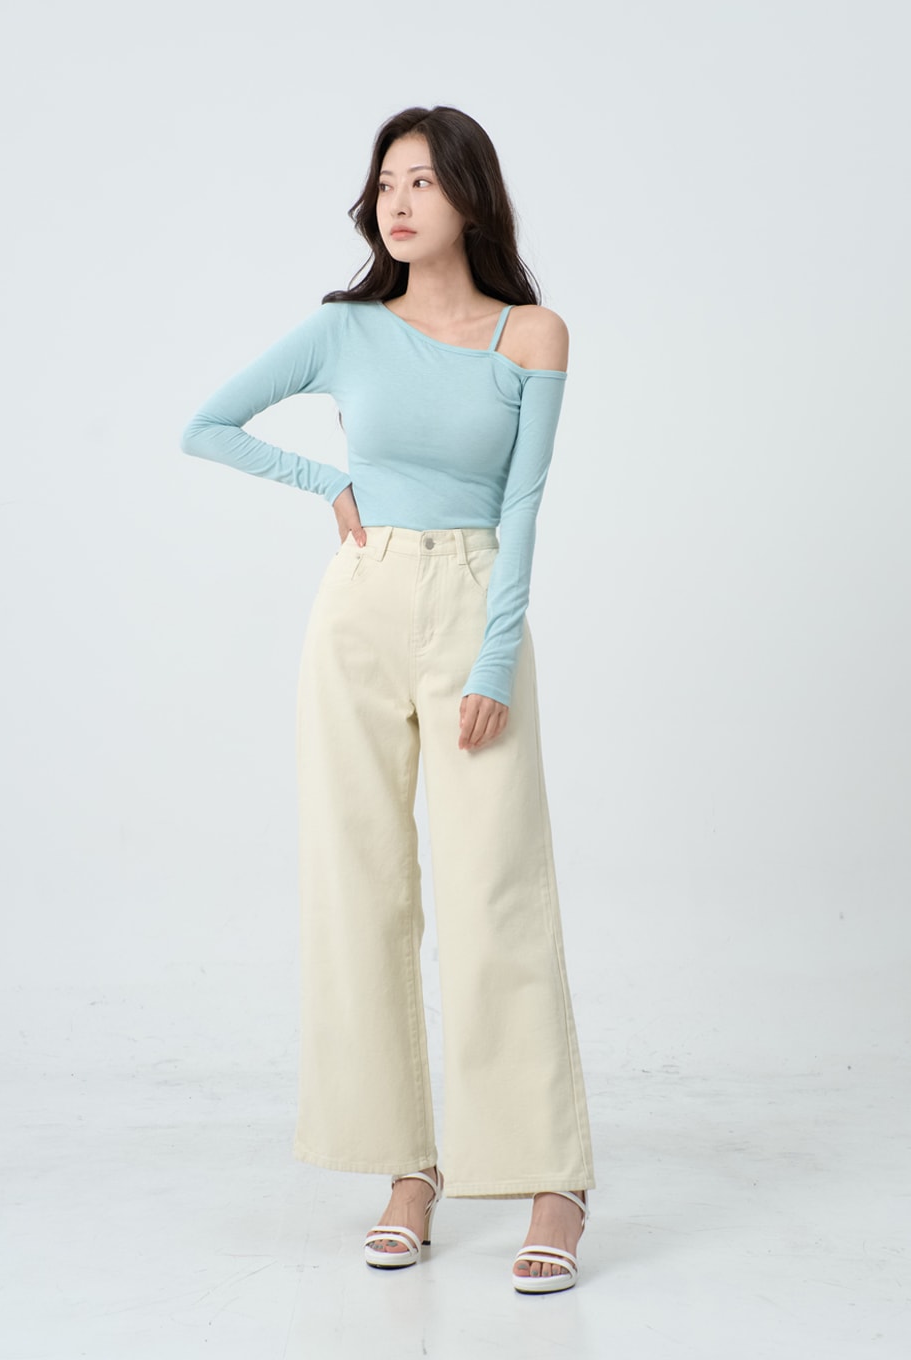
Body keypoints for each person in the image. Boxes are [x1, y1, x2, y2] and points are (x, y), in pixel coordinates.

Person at [180, 104, 596, 1294]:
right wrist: (328, 482)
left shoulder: (530, 334)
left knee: (495, 889)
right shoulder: (343, 328)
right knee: (358, 886)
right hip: (358, 606)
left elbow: (524, 506)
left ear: (470, 193)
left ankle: (551, 1177)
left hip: (471, 601)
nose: (397, 201)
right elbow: (206, 426)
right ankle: (406, 1168)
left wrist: (494, 662)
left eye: (421, 179)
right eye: (385, 182)